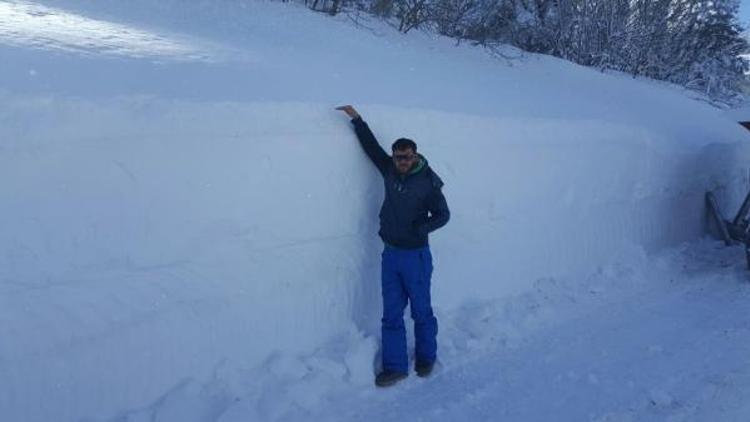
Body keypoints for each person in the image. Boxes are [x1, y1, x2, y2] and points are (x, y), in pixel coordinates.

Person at [336, 105, 450, 387]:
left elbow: (443, 215)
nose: (402, 161)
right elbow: (372, 148)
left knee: (421, 310)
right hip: (391, 255)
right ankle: (395, 366)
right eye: (398, 156)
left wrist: (421, 228)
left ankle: (426, 358)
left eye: (407, 157)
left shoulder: (427, 182)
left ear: (415, 156)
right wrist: (357, 120)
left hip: (417, 256)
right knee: (391, 313)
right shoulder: (388, 169)